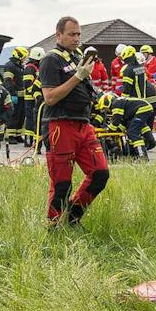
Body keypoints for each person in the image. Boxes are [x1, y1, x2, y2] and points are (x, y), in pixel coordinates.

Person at [41, 16, 109, 227]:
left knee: (100, 174)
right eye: (72, 34)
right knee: (62, 183)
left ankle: (72, 216)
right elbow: (50, 97)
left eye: (79, 34)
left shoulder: (77, 56)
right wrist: (78, 76)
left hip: (83, 124)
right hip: (61, 125)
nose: (77, 38)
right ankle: (53, 226)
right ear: (58, 34)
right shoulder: (51, 60)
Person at [1, 46, 29, 145]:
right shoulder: (10, 66)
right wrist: (12, 94)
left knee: (21, 115)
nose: (25, 59)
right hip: (15, 95)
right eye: (24, 56)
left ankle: (17, 135)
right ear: (19, 55)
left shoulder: (19, 66)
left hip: (22, 96)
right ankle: (10, 136)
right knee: (14, 115)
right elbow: (7, 82)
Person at [23, 46, 46, 153]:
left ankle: (34, 142)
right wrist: (36, 94)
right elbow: (27, 85)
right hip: (31, 99)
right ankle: (28, 140)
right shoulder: (30, 68)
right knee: (31, 120)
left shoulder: (36, 68)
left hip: (37, 99)